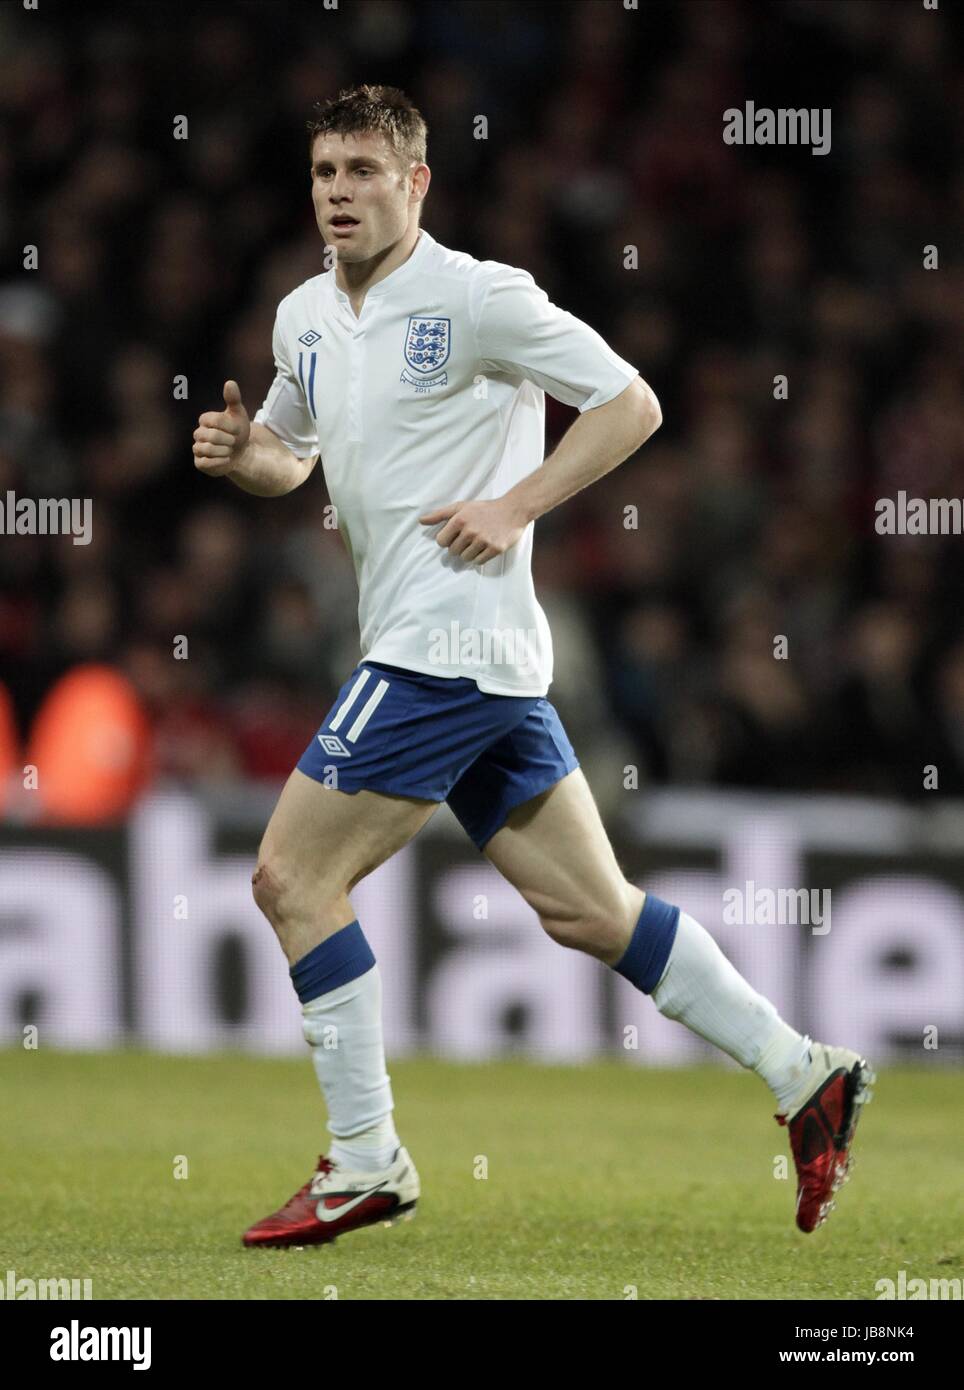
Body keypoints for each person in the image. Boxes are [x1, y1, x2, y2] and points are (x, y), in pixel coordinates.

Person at [192, 85, 872, 1247]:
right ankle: (802, 1067)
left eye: (363, 171)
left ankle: (366, 1160)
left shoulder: (477, 297)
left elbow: (630, 403)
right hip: (473, 660)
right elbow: (292, 460)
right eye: (323, 174)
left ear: (416, 185)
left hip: (442, 649)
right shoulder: (302, 314)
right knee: (587, 909)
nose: (340, 193)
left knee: (290, 878)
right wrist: (245, 452)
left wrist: (517, 502)